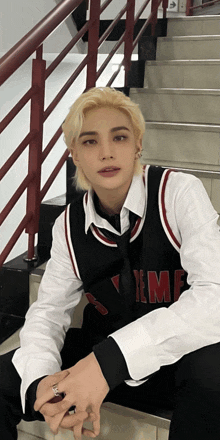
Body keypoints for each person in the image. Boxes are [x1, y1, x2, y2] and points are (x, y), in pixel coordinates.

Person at [1, 86, 220, 440]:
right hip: (100, 353)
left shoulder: (178, 193)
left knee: (214, 371)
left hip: (174, 358)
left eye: (119, 137)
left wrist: (109, 361)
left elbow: (215, 295)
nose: (106, 152)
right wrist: (43, 382)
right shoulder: (68, 225)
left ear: (138, 144)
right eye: (89, 141)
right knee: (8, 375)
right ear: (74, 154)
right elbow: (48, 313)